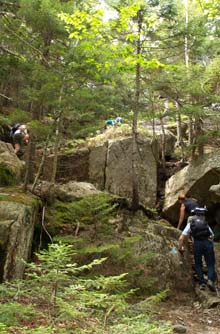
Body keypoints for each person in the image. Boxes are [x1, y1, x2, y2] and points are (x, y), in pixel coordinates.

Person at [178, 207, 216, 291]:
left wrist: (180, 247)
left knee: (198, 264)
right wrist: (209, 243)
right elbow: (212, 235)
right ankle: (210, 280)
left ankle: (202, 283)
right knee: (210, 263)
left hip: (197, 244)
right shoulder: (205, 224)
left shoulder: (191, 224)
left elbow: (181, 237)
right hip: (207, 243)